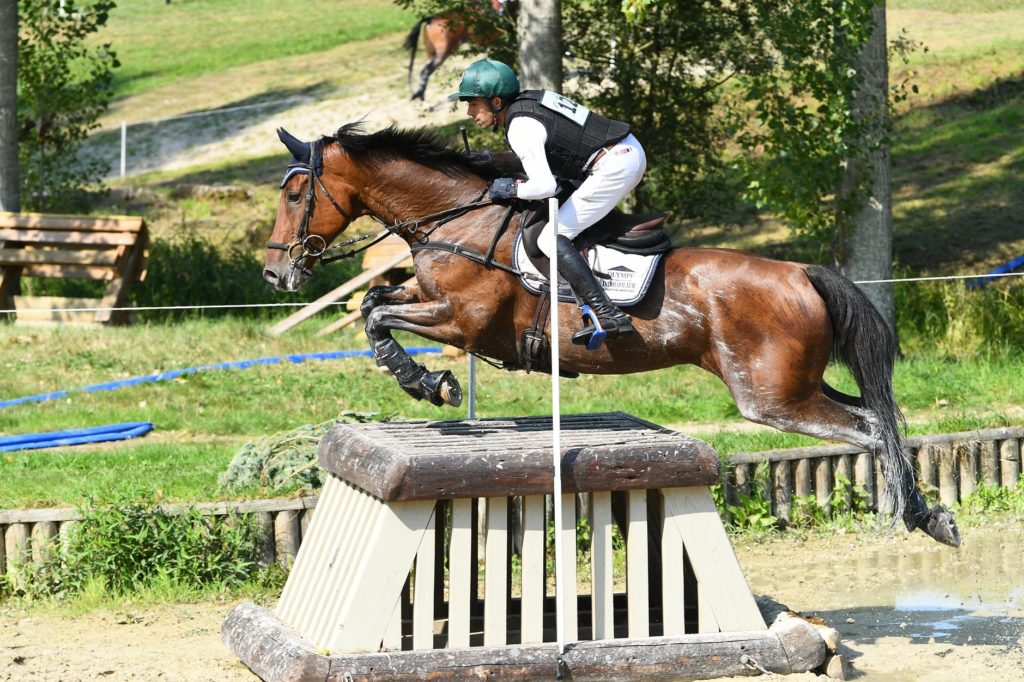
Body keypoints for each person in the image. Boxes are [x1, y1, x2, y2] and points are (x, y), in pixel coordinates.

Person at [450, 58, 646, 348]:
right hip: (620, 152)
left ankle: (607, 314)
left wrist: (510, 189)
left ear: (495, 101)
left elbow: (543, 186)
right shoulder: (526, 105)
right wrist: (493, 160)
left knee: (551, 238)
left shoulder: (520, 126)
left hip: (615, 164)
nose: (469, 112)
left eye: (473, 104)